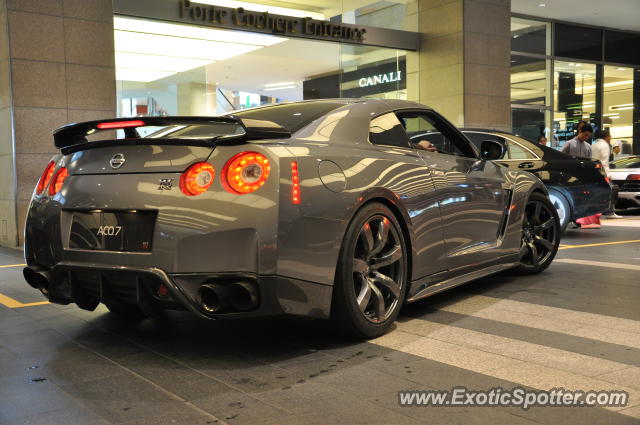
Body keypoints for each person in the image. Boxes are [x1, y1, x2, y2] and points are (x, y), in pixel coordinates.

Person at [592, 129, 623, 219]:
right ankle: (610, 212)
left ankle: (595, 213)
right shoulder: (605, 145)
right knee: (612, 190)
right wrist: (608, 175)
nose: (610, 138)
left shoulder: (593, 145)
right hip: (602, 172)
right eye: (609, 136)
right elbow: (604, 162)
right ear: (605, 136)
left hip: (593, 172)